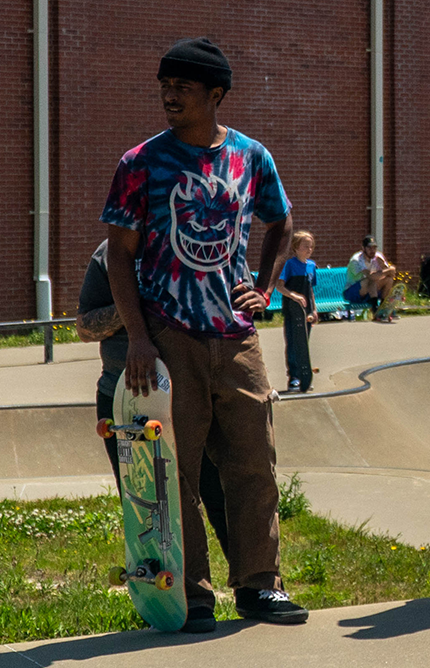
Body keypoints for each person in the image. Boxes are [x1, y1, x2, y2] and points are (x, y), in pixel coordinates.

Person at [101, 37, 307, 632]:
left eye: (183, 87)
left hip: (237, 337)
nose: (169, 95)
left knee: (253, 466)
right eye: (165, 85)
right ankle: (191, 595)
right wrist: (139, 339)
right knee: (177, 472)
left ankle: (260, 587)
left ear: (215, 95)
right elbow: (120, 256)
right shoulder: (141, 162)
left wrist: (263, 287)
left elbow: (281, 219)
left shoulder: (250, 156)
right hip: (171, 336)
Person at [77, 240, 231, 555]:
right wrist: (132, 305)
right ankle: (163, 579)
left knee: (218, 492)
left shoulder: (195, 243)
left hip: (191, 391)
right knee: (145, 500)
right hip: (125, 396)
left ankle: (251, 586)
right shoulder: (110, 253)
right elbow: (85, 328)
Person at [275, 231, 318, 392]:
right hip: (293, 311)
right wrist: (293, 295)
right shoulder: (290, 265)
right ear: (296, 247)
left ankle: (304, 375)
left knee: (303, 344)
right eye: (306, 246)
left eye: (311, 246)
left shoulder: (311, 266)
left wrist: (314, 310)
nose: (309, 249)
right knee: (293, 343)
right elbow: (280, 286)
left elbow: (310, 291)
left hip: (306, 312)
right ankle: (294, 377)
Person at [344, 235, 396, 321]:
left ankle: (383, 308)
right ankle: (375, 309)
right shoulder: (356, 260)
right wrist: (387, 270)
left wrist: (383, 266)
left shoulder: (378, 257)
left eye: (374, 248)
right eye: (369, 248)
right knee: (369, 280)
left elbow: (392, 273)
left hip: (370, 291)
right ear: (363, 248)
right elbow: (371, 276)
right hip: (353, 292)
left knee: (388, 280)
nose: (373, 251)